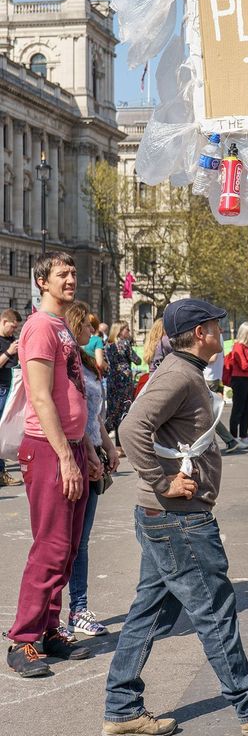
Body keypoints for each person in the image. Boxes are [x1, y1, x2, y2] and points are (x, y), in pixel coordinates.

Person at [102, 298, 248, 736]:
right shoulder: (179, 373)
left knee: (148, 611)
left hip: (167, 517)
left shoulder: (183, 371)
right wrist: (162, 481)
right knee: (214, 607)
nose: (222, 330)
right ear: (201, 333)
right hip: (177, 517)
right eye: (217, 325)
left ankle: (122, 708)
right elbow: (130, 427)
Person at [6, 253, 94, 677]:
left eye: (73, 273)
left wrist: (88, 449)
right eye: (62, 274)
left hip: (71, 447)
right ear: (42, 281)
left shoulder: (60, 327)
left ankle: (50, 627)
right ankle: (23, 639)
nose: (71, 279)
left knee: (68, 549)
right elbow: (40, 397)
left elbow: (74, 391)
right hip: (46, 450)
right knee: (51, 547)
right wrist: (64, 456)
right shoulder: (39, 327)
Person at [64, 301, 120, 636]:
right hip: (75, 453)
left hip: (93, 449)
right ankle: (53, 613)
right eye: (87, 324)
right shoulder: (67, 364)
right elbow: (73, 415)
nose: (93, 329)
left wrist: (108, 445)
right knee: (64, 540)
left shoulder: (86, 361)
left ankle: (79, 608)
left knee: (81, 539)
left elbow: (95, 413)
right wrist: (90, 452)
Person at [105, 321, 141, 453]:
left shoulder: (107, 345)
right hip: (124, 381)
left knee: (113, 411)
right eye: (127, 330)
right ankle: (120, 445)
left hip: (112, 379)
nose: (129, 332)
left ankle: (111, 443)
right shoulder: (124, 343)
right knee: (124, 411)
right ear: (120, 331)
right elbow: (137, 360)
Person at [0, 308, 22, 486]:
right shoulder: (5, 343)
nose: (13, 330)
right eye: (12, 327)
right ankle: (1, 473)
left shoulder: (13, 340)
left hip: (12, 388)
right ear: (3, 322)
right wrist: (8, 352)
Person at [228, 322, 248, 445]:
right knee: (238, 408)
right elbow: (243, 365)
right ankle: (233, 436)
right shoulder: (238, 346)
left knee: (247, 408)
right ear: (245, 333)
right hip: (239, 379)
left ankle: (244, 435)